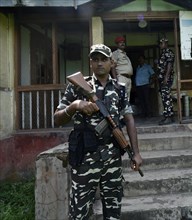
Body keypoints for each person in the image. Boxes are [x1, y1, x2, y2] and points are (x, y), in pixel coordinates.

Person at [53, 44, 142, 220]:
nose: (99, 63)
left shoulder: (120, 88)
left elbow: (129, 119)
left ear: (112, 62)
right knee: (79, 213)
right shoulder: (78, 87)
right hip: (85, 158)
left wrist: (136, 153)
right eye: (95, 59)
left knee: (113, 212)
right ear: (90, 62)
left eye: (104, 59)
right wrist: (75, 106)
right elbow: (57, 118)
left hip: (112, 158)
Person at [157, 37, 175, 125]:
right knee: (165, 98)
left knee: (166, 98)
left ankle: (168, 117)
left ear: (166, 44)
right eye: (160, 43)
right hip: (162, 79)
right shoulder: (163, 53)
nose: (160, 45)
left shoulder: (168, 53)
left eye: (161, 43)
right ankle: (168, 116)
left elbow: (169, 65)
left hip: (166, 79)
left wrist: (166, 78)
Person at [112, 36, 133, 100]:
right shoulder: (115, 53)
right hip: (121, 78)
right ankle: (122, 110)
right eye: (120, 42)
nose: (122, 43)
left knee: (127, 99)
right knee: (121, 98)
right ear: (117, 44)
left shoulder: (125, 54)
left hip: (128, 79)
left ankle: (125, 110)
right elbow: (112, 67)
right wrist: (115, 80)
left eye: (123, 42)